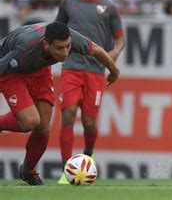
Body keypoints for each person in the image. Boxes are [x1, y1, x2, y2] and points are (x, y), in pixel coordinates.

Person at [0, 22, 120, 185]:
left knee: (43, 127)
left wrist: (114, 71)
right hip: (11, 72)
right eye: (59, 48)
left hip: (40, 72)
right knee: (30, 122)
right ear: (46, 45)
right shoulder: (24, 50)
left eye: (67, 46)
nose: (65, 53)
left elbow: (97, 50)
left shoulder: (72, 38)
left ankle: (28, 171)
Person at [55, 0, 125, 184]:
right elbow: (56, 33)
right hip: (72, 67)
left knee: (88, 122)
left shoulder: (110, 8)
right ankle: (67, 171)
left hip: (95, 71)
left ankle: (88, 154)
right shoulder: (69, 4)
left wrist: (112, 55)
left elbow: (120, 40)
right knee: (67, 115)